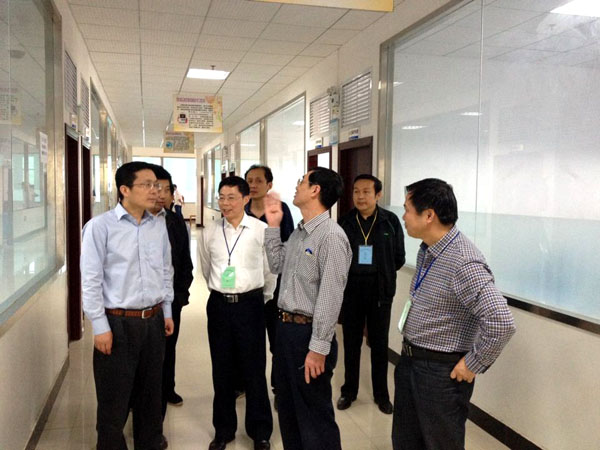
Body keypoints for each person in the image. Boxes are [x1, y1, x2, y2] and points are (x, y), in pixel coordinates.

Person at [392, 178, 516, 450]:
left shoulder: (463, 261)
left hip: (439, 375)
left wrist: (473, 364)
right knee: (406, 442)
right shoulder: (429, 250)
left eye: (407, 210)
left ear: (428, 215)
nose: (403, 216)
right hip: (412, 362)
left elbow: (501, 321)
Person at [80, 161, 174, 450]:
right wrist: (100, 326)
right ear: (125, 190)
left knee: (150, 397)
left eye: (157, 185)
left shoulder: (158, 225)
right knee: (114, 401)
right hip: (117, 323)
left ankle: (149, 443)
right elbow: (91, 280)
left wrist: (167, 311)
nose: (155, 191)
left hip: (153, 320)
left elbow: (165, 270)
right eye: (147, 185)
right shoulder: (100, 227)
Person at [264, 167, 352, 450]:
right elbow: (277, 265)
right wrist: (273, 226)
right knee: (288, 408)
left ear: (315, 190)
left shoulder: (331, 237)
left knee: (314, 416)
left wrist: (318, 348)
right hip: (285, 331)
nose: (297, 185)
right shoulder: (299, 233)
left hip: (308, 336)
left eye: (301, 181)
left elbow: (330, 297)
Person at [199, 176, 275, 450]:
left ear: (245, 199)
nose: (225, 203)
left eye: (231, 197)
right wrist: (222, 291)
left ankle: (260, 431)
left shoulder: (261, 229)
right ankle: (223, 430)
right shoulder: (210, 231)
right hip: (219, 305)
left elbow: (270, 271)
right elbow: (206, 267)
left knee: (254, 369)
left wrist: (259, 299)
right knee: (221, 370)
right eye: (221, 197)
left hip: (251, 305)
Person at [336, 174, 405, 415]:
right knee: (351, 343)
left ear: (378, 195)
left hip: (380, 292)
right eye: (356, 191)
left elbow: (399, 258)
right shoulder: (345, 222)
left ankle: (381, 395)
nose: (360, 196)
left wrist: (381, 272)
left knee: (379, 344)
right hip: (352, 291)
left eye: (366, 191)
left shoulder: (390, 221)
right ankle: (349, 391)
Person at [244, 164, 294, 407]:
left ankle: (278, 386)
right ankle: (246, 385)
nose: (253, 185)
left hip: (276, 288)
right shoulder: (241, 208)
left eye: (258, 181)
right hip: (248, 287)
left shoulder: (279, 210)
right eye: (249, 181)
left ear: (269, 184)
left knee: (277, 341)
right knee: (248, 343)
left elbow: (288, 245)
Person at [148, 166, 193, 417]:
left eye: (166, 189)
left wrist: (181, 294)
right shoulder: (137, 221)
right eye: (157, 188)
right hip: (143, 303)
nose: (162, 194)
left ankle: (168, 388)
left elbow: (185, 261)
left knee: (169, 346)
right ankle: (141, 400)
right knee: (146, 355)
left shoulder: (175, 221)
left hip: (171, 299)